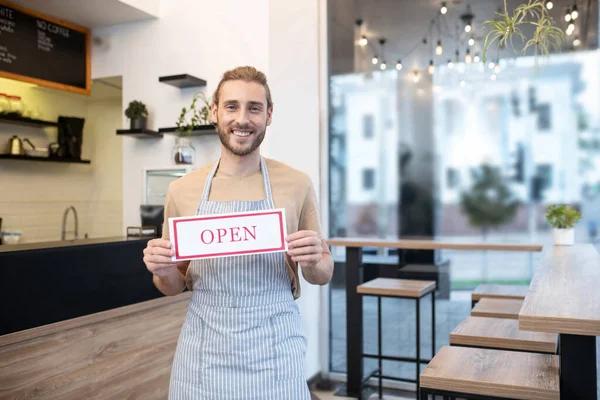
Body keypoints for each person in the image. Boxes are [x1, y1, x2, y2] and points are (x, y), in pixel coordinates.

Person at [142, 66, 334, 399]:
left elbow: (323, 274)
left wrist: (314, 260)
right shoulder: (182, 190)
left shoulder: (296, 183)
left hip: (275, 349)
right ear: (214, 111)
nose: (242, 119)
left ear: (268, 115)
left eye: (254, 108)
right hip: (204, 352)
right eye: (231, 106)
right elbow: (172, 285)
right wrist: (162, 270)